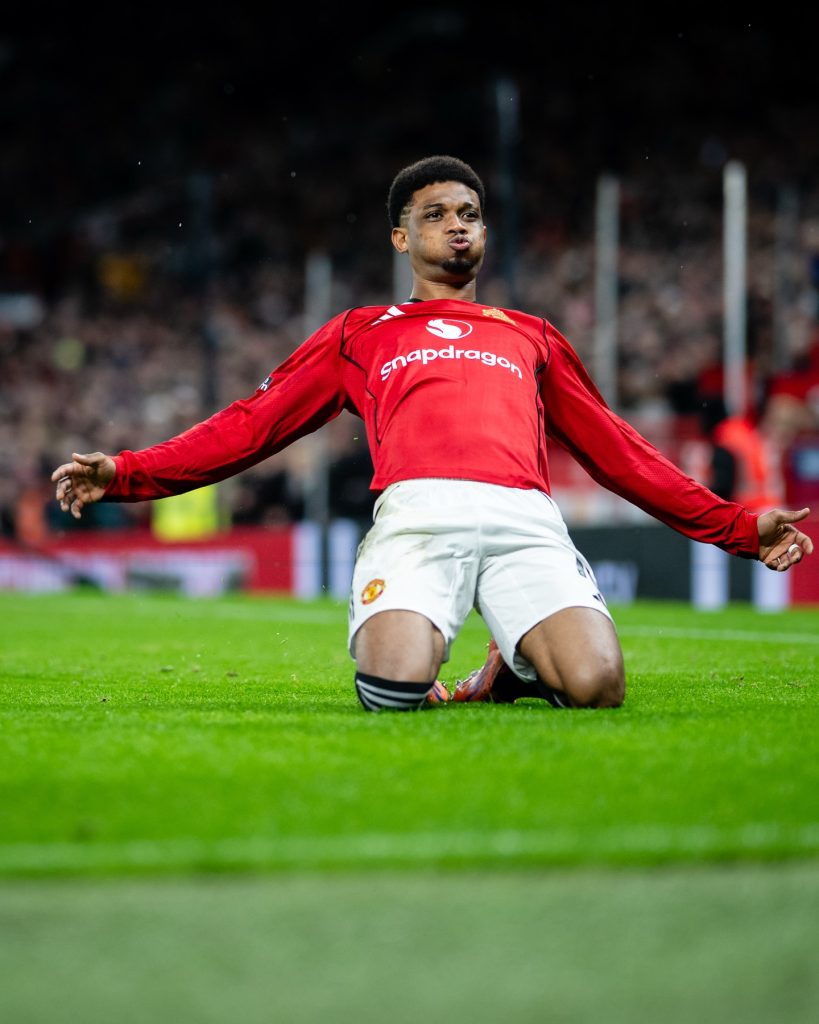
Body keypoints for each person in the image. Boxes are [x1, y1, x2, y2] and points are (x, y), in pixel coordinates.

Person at [51, 155, 813, 712]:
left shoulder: (531, 336)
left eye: (470, 214)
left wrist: (741, 527)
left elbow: (618, 452)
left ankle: (506, 670)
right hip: (417, 518)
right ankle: (494, 664)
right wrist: (126, 473)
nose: (457, 226)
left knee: (597, 686)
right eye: (436, 214)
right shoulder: (360, 333)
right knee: (390, 690)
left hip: (524, 520)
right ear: (398, 238)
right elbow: (252, 426)